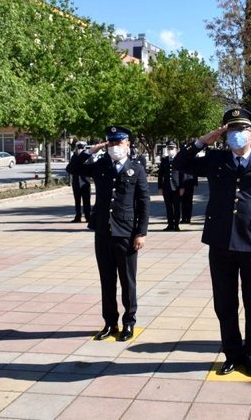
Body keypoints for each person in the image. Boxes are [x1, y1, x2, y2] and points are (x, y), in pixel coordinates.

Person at [174, 108, 251, 377]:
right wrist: (204, 140)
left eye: (241, 130)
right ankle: (232, 353)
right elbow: (179, 163)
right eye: (231, 130)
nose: (237, 135)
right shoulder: (215, 159)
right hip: (220, 241)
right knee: (224, 302)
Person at [67, 125, 150, 342]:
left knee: (127, 280)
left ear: (128, 144)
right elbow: (72, 168)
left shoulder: (137, 169)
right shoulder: (101, 165)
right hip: (103, 231)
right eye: (111, 142)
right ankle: (110, 322)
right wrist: (91, 150)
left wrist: (141, 232)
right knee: (107, 280)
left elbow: (143, 202)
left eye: (118, 142)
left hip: (126, 233)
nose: (115, 147)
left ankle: (129, 322)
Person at [67, 141, 91, 223]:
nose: (80, 149)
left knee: (86, 200)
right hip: (76, 181)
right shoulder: (74, 156)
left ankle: (88, 216)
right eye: (79, 147)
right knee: (77, 200)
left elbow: (91, 167)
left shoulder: (88, 157)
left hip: (85, 181)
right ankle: (78, 216)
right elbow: (70, 168)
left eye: (82, 147)